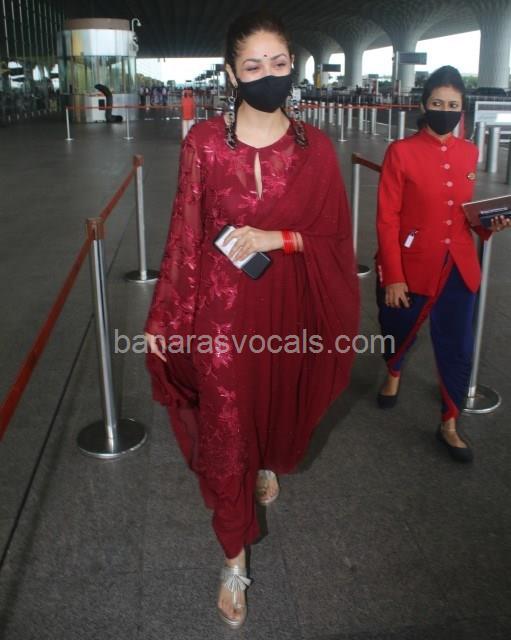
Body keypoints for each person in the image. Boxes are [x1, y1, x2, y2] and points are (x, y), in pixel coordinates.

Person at [143, 9, 359, 628]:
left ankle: (266, 459)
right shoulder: (205, 144)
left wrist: (277, 238)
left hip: (289, 310)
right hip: (221, 315)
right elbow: (185, 235)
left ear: (293, 66)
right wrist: (168, 318)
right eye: (254, 65)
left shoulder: (316, 150)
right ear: (233, 73)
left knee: (270, 406)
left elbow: (334, 243)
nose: (269, 75)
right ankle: (233, 556)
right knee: (226, 430)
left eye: (279, 63)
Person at [375, 65, 511, 463]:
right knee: (397, 325)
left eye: (453, 105)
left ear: (462, 109)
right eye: (438, 103)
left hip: (458, 265)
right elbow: (387, 218)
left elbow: (460, 215)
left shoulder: (469, 151)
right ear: (424, 105)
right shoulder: (401, 152)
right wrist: (393, 276)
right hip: (412, 263)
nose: (445, 111)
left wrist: (487, 226)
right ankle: (394, 369)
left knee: (458, 344)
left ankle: (449, 421)